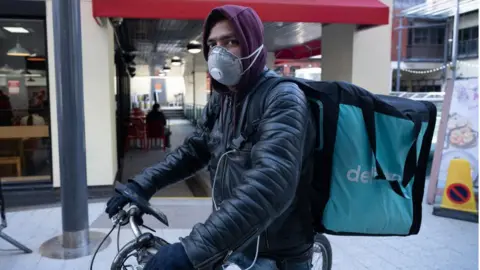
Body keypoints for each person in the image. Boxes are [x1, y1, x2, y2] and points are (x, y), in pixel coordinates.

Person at [105, 5, 315, 270]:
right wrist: (141, 185)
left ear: (252, 42)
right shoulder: (224, 96)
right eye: (213, 44)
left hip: (273, 252)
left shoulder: (283, 98)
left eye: (231, 41)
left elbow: (270, 184)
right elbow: (195, 150)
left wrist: (190, 250)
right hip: (229, 240)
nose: (220, 52)